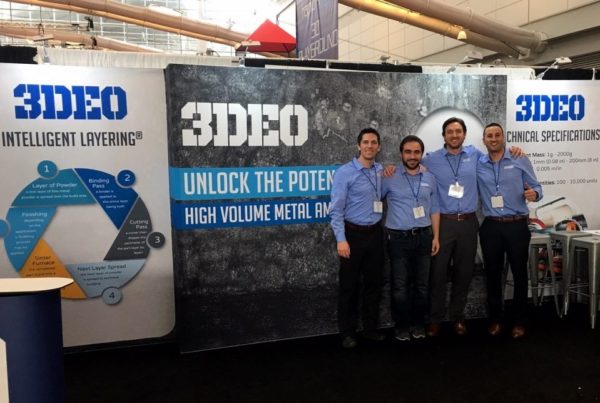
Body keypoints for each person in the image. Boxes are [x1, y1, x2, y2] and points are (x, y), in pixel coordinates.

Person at [477, 123, 542, 339]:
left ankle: (519, 321)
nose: (493, 139)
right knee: (493, 274)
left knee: (519, 274)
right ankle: (496, 319)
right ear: (484, 140)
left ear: (503, 138)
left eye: (497, 135)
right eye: (489, 136)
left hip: (517, 225)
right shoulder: (478, 163)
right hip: (491, 226)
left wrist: (535, 194)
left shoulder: (519, 158)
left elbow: (537, 187)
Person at [423, 117, 481, 337]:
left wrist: (514, 152)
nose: (454, 135)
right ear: (444, 135)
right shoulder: (432, 159)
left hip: (468, 222)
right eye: (450, 132)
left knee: (464, 273)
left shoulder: (475, 155)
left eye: (458, 131)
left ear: (464, 135)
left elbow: (496, 160)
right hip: (443, 223)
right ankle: (435, 319)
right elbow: (411, 167)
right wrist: (390, 170)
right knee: (437, 273)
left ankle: (458, 317)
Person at [329, 127, 386, 349]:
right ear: (358, 145)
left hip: (375, 234)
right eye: (365, 142)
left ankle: (370, 329)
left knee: (374, 284)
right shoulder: (344, 172)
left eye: (374, 142)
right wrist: (341, 239)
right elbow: (336, 210)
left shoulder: (380, 171)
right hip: (352, 235)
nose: (369, 146)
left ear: (379, 147)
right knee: (349, 287)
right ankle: (347, 332)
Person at [382, 135, 440, 341]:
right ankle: (401, 326)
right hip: (398, 239)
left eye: (416, 152)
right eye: (408, 152)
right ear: (401, 154)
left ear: (421, 154)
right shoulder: (389, 176)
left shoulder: (430, 178)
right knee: (399, 286)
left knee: (422, 286)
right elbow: (374, 198)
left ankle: (418, 324)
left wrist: (436, 237)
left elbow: (435, 209)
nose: (412, 156)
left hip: (424, 237)